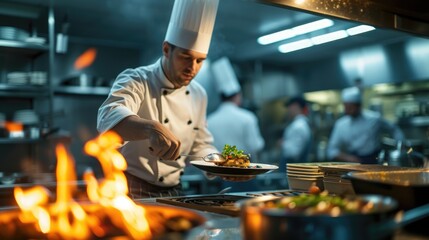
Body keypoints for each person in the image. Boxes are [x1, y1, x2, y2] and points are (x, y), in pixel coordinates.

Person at [97, 0, 220, 198]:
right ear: (166, 49)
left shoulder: (199, 94)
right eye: (185, 57)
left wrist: (219, 164)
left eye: (200, 61)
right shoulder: (136, 79)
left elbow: (200, 145)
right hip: (130, 189)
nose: (193, 68)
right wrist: (150, 128)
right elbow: (108, 118)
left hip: (176, 191)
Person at [207, 57, 265, 191]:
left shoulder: (210, 120)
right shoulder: (247, 117)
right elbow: (256, 146)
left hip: (220, 176)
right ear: (238, 95)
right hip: (245, 174)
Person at [327, 86, 405, 164]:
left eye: (350, 106)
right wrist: (349, 158)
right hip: (354, 161)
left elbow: (394, 129)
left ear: (359, 106)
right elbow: (331, 151)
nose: (347, 109)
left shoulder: (374, 118)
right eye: (346, 106)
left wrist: (400, 146)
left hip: (375, 160)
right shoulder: (340, 124)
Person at [280, 96, 312, 172]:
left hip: (293, 172)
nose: (288, 110)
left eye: (289, 107)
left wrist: (282, 144)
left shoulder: (298, 126)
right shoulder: (300, 124)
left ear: (295, 106)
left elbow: (293, 153)